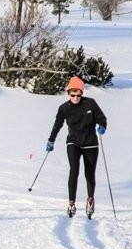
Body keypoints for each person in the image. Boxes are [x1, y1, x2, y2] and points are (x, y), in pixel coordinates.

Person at [45, 76, 107, 218]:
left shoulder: (90, 104)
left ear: (82, 93)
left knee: (89, 173)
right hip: (73, 142)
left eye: (78, 94)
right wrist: (51, 141)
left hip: (91, 143)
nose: (76, 97)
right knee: (74, 170)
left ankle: (90, 199)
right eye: (73, 94)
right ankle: (71, 203)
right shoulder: (64, 109)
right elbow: (57, 125)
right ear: (68, 93)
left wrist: (102, 126)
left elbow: (101, 117)